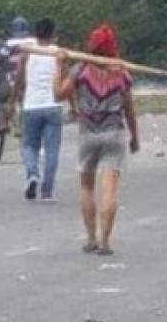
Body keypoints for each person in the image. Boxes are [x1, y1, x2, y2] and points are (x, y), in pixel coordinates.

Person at [56, 24, 139, 255]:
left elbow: (58, 94)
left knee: (86, 186)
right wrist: (135, 137)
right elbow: (129, 108)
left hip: (88, 133)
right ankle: (105, 241)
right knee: (109, 189)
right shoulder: (121, 72)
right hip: (114, 132)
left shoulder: (80, 70)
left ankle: (91, 238)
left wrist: (59, 66)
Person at [12, 18, 64, 200]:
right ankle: (47, 191)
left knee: (29, 145)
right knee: (52, 150)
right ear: (53, 34)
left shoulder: (27, 53)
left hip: (31, 105)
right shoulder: (58, 53)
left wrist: (12, 102)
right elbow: (64, 80)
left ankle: (32, 174)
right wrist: (75, 105)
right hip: (53, 106)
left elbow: (18, 80)